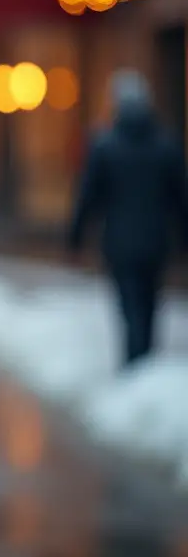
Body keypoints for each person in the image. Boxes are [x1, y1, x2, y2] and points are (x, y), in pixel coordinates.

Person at [69, 70, 188, 367]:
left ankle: (135, 365)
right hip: (155, 240)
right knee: (149, 304)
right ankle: (143, 364)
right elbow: (181, 199)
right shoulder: (166, 144)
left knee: (129, 306)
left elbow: (88, 196)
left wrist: (76, 236)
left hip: (119, 241)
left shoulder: (105, 145)